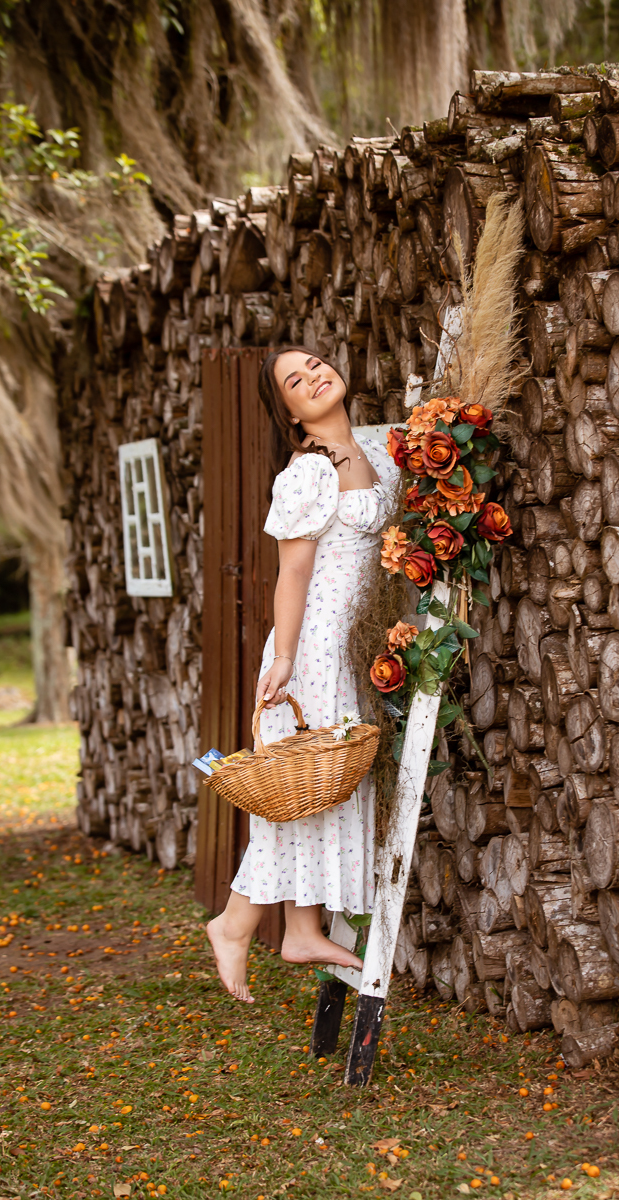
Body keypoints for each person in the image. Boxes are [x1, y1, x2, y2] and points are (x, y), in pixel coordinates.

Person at [206, 346, 401, 1003]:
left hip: (348, 648)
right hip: (312, 651)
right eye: (296, 380)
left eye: (315, 363)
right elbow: (292, 575)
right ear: (288, 414)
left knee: (325, 790)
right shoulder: (308, 472)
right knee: (304, 789)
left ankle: (299, 927)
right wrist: (285, 661)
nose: (315, 376)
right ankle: (235, 925)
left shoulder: (372, 446)